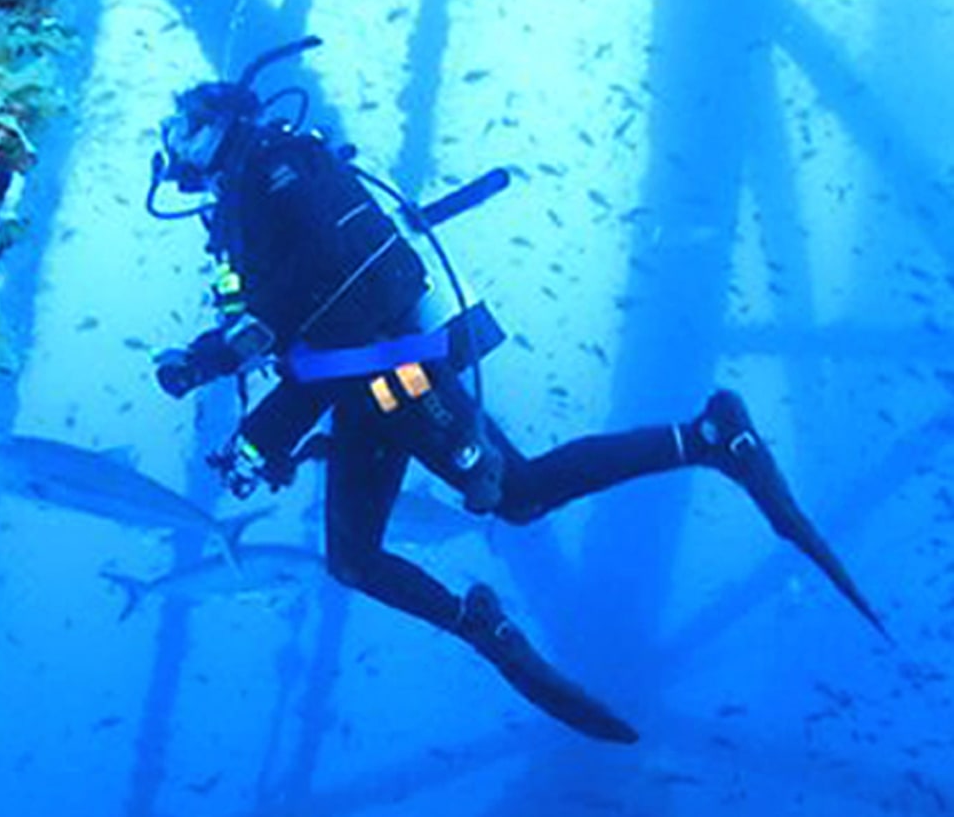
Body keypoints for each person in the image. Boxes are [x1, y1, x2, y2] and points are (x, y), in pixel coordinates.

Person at [148, 37, 883, 745]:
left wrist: (220, 358)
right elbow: (298, 337)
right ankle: (491, 619)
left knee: (512, 492)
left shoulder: (272, 173)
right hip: (362, 380)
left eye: (181, 126)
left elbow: (326, 292)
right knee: (364, 553)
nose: (173, 145)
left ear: (217, 124)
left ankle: (709, 439)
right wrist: (261, 432)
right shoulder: (246, 203)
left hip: (395, 373)